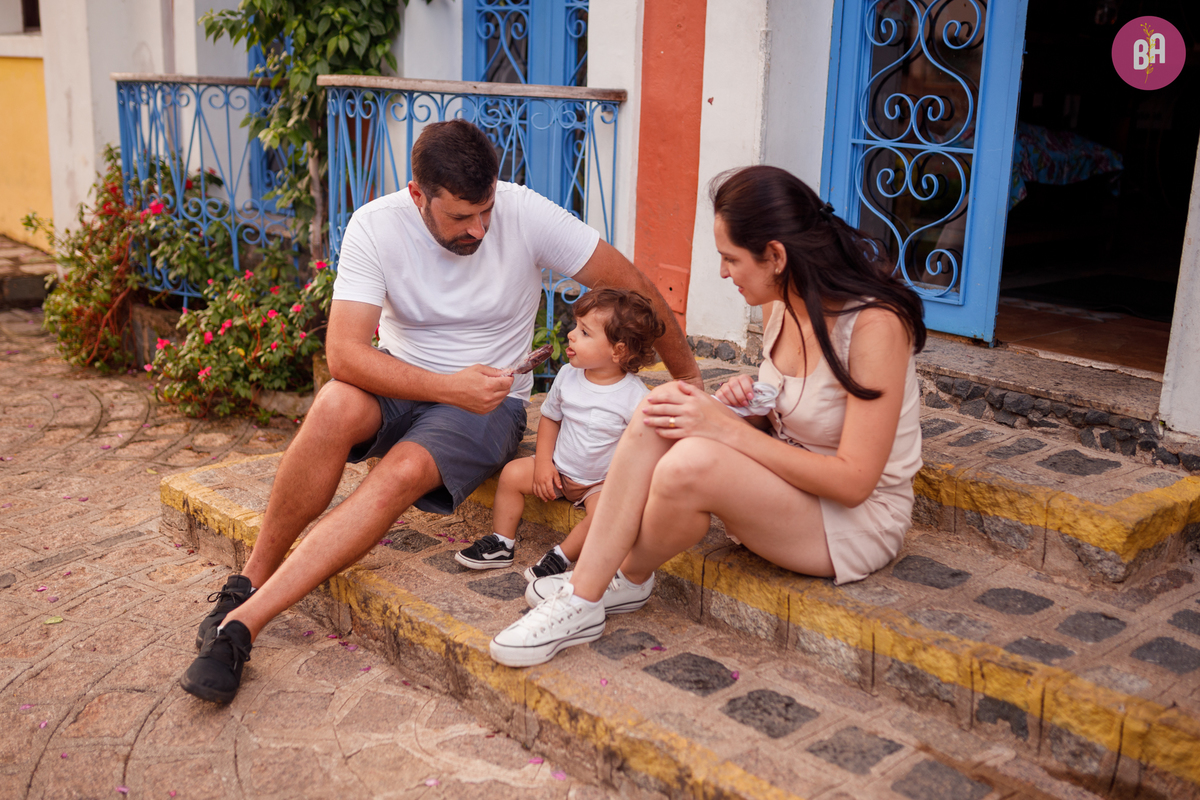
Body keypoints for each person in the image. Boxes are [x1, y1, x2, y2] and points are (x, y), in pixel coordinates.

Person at [179, 119, 700, 703]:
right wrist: (445, 386)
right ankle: (246, 580)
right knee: (331, 406)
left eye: (485, 211)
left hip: (488, 405)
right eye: (459, 217)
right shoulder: (376, 225)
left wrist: (691, 382)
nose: (478, 228)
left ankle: (243, 626)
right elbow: (345, 353)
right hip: (409, 379)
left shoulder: (527, 213)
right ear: (417, 195)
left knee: (398, 472)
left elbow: (638, 290)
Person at [489, 165, 926, 668]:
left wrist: (722, 428)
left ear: (777, 257)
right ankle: (601, 587)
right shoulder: (780, 304)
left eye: (730, 259)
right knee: (661, 409)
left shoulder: (875, 326)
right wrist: (750, 405)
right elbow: (784, 415)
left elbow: (854, 482)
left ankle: (602, 588)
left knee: (690, 462)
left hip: (850, 522)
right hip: (784, 488)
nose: (723, 273)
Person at [455, 289, 664, 580]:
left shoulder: (634, 397)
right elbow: (551, 418)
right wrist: (543, 463)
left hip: (598, 483)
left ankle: (561, 556)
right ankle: (502, 542)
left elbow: (641, 450)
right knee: (512, 474)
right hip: (560, 471)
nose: (571, 335)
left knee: (606, 514)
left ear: (617, 351)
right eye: (576, 327)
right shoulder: (568, 375)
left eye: (585, 333)